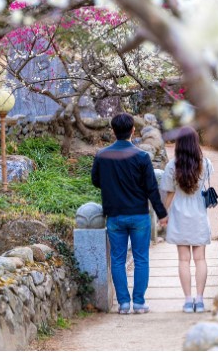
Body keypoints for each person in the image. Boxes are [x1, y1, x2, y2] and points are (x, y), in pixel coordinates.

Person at [91, 113, 168, 315]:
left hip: (114, 215)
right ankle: (140, 302)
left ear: (113, 131)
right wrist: (161, 213)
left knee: (117, 259)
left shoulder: (102, 155)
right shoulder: (142, 156)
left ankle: (123, 304)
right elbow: (152, 188)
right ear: (133, 130)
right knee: (141, 258)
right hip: (139, 215)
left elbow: (96, 181)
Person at [160, 126, 214, 314]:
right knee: (200, 259)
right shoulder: (205, 164)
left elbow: (169, 194)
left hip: (179, 216)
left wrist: (163, 215)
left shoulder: (172, 166)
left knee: (183, 260)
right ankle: (199, 300)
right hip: (199, 215)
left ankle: (187, 300)